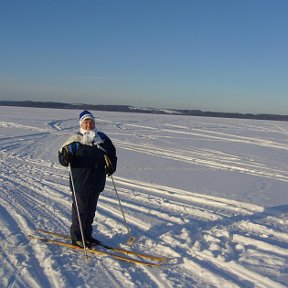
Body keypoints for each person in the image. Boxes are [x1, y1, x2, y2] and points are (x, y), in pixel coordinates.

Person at [58, 110, 117, 248]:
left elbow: (112, 154)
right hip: (80, 181)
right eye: (86, 121)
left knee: (90, 212)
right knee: (81, 211)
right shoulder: (75, 140)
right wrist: (66, 158)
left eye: (91, 121)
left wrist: (111, 165)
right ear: (81, 124)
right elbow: (62, 157)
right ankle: (77, 237)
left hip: (96, 180)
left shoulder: (102, 139)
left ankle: (87, 236)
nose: (88, 124)